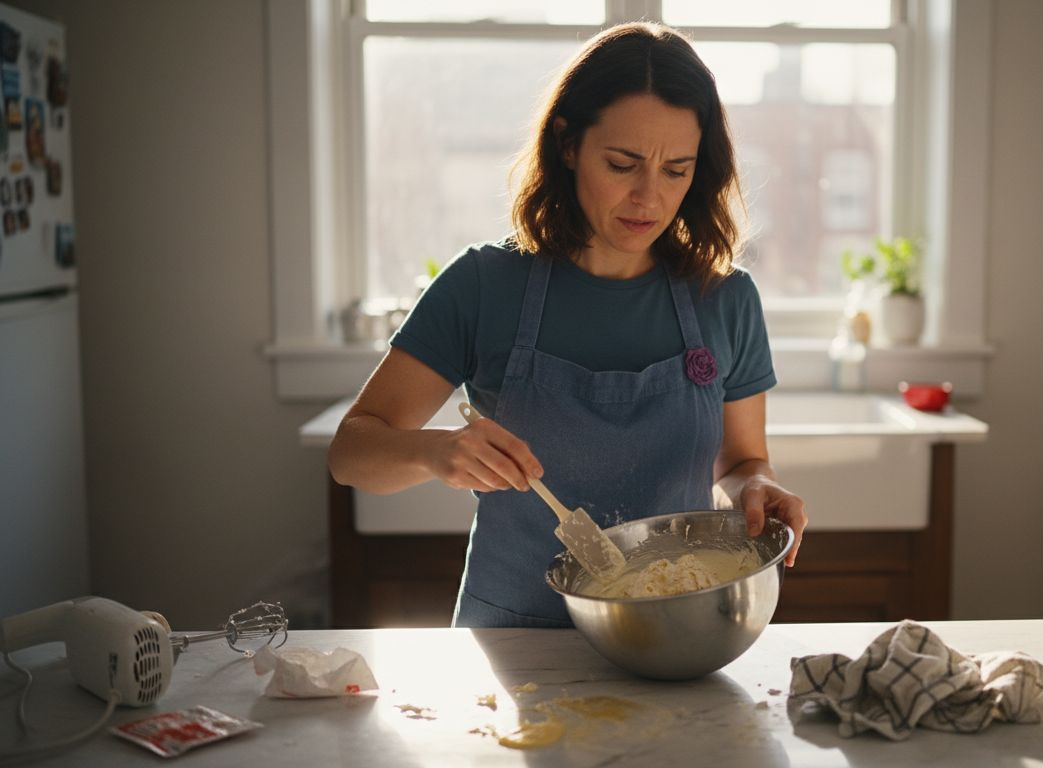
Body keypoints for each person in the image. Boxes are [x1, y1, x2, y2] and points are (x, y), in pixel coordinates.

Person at [328, 21, 807, 628]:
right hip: (513, 641)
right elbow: (352, 452)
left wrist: (756, 491)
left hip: (675, 635)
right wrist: (434, 452)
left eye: (676, 170)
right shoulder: (483, 286)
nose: (649, 198)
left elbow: (740, 464)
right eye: (623, 163)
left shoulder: (725, 297)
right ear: (568, 143)